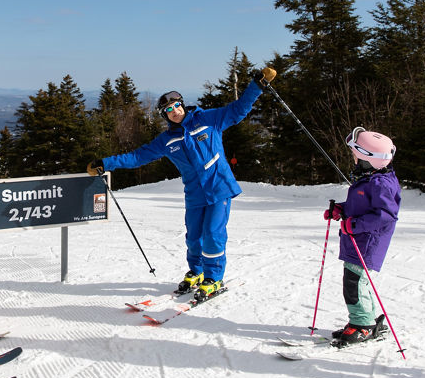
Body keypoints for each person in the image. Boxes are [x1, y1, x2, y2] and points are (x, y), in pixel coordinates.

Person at [87, 68, 276, 301]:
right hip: (195, 194)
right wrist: (106, 163)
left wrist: (257, 86)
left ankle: (214, 277)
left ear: (183, 105)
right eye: (168, 110)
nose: (175, 111)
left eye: (177, 106)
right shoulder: (167, 140)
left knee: (212, 233)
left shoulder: (208, 119)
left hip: (219, 188)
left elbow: (237, 111)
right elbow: (137, 157)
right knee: (193, 236)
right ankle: (197, 272)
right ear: (164, 115)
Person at [323, 127, 400, 345]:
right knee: (359, 283)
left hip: (367, 242)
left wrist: (354, 224)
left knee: (353, 283)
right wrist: (341, 210)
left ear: (369, 159)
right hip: (358, 238)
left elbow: (385, 215)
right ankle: (365, 320)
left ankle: (363, 325)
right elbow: (361, 205)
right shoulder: (370, 179)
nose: (354, 160)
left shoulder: (381, 184)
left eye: (356, 156)